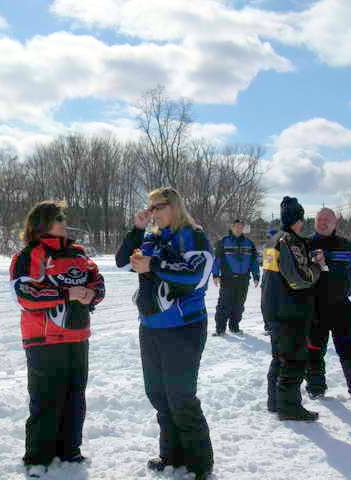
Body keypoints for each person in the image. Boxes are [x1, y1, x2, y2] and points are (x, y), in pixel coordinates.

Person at [115, 187, 214, 480]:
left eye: (159, 207)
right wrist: (136, 229)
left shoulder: (193, 235)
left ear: (174, 206)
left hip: (184, 327)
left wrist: (153, 264)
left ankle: (199, 464)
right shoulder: (153, 237)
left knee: (181, 397)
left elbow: (197, 274)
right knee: (158, 394)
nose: (154, 212)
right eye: (151, 207)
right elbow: (122, 261)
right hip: (151, 326)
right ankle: (172, 455)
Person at [9, 201, 105, 479]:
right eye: (58, 218)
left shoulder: (78, 253)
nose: (64, 221)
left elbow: (97, 281)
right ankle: (38, 459)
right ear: (43, 223)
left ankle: (70, 451)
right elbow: (25, 294)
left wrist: (91, 294)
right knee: (46, 399)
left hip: (77, 335)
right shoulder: (28, 255)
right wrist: (68, 294)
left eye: (64, 217)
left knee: (75, 396)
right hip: (44, 338)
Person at [261, 196, 325, 421]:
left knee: (279, 357)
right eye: (301, 218)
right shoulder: (289, 241)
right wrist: (317, 267)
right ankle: (289, 407)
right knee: (294, 359)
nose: (303, 223)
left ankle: (275, 401)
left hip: (274, 307)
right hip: (290, 310)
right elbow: (298, 279)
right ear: (296, 219)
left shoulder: (273, 240)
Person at [305, 208, 351, 404]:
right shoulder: (305, 245)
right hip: (313, 307)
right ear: (314, 221)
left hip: (340, 306)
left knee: (348, 349)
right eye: (319, 219)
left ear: (335, 223)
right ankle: (315, 387)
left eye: (327, 220)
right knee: (313, 349)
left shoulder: (347, 247)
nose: (323, 222)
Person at [212, 219, 261, 336]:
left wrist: (256, 275)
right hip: (228, 279)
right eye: (237, 226)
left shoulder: (249, 243)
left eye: (241, 227)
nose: (239, 229)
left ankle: (234, 327)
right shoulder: (223, 242)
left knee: (239, 304)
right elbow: (217, 260)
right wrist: (215, 274)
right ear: (232, 227)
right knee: (224, 303)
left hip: (243, 279)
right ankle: (220, 329)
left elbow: (254, 261)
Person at [259, 228, 279, 335]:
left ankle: (272, 327)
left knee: (270, 305)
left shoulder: (276, 249)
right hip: (266, 281)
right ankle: (269, 326)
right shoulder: (268, 249)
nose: (267, 239)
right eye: (267, 237)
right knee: (264, 305)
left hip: (273, 284)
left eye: (269, 237)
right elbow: (266, 269)